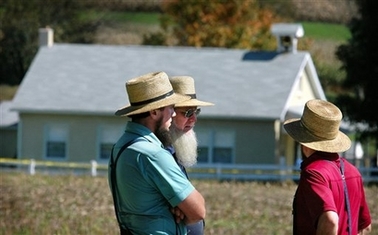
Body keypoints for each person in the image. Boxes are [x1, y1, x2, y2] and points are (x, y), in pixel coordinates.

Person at [108, 71, 206, 235]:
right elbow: (198, 210)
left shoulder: (122, 145)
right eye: (170, 108)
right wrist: (185, 213)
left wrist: (179, 208)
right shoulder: (152, 154)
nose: (173, 113)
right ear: (154, 112)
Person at [283, 99, 372, 235]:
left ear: (305, 142)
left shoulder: (314, 173)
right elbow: (365, 226)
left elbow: (330, 220)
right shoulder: (353, 171)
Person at [168, 76, 214, 235]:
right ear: (169, 113)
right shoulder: (160, 153)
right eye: (187, 112)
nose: (193, 119)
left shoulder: (174, 150)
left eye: (196, 112)